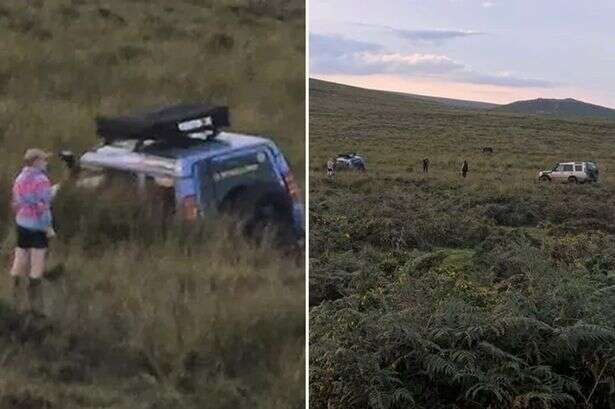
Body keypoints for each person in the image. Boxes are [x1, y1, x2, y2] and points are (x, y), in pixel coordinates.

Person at [10, 148, 56, 314]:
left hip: (22, 222)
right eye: (44, 160)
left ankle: (15, 289)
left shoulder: (19, 178)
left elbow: (17, 201)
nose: (46, 163)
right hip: (37, 225)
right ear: (36, 162)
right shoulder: (42, 180)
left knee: (20, 254)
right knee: (38, 259)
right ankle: (34, 296)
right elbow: (42, 206)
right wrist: (47, 227)